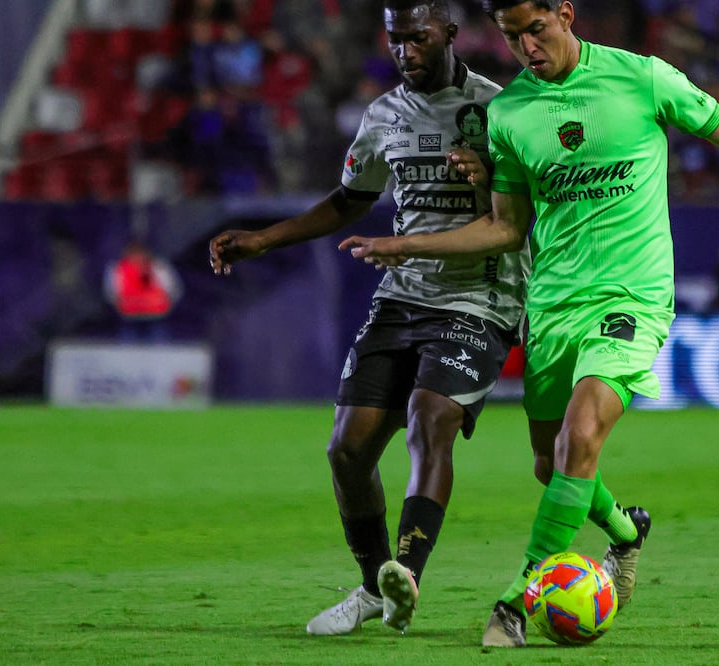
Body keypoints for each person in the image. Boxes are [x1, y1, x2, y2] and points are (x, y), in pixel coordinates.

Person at [340, 0, 719, 648]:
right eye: (511, 37)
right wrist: (406, 245)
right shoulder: (508, 115)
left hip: (632, 296)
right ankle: (623, 530)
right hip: (553, 304)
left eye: (536, 29)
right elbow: (507, 227)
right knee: (549, 462)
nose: (526, 46)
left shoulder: (641, 78)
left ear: (565, 13)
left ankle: (516, 602)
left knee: (581, 435)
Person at [207, 0, 532, 637]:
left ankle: (405, 575)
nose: (405, 51)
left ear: (448, 34)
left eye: (417, 38)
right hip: (403, 294)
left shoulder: (500, 110)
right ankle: (372, 584)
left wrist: (492, 169)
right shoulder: (383, 115)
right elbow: (350, 200)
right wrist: (267, 238)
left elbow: (537, 199)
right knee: (346, 450)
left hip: (479, 296)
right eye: (395, 41)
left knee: (430, 416)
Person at [104, 239, 183, 341]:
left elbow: (174, 290)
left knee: (160, 345)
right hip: (129, 318)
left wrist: (164, 302)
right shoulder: (117, 269)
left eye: (140, 253)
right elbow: (111, 293)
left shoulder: (159, 267)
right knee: (127, 346)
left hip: (156, 317)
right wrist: (122, 302)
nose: (137, 257)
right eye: (134, 253)